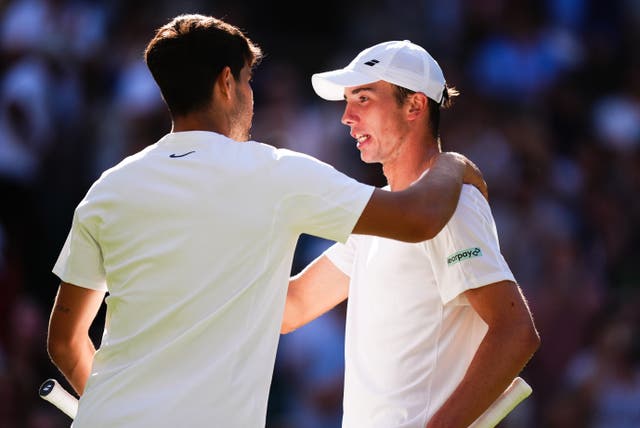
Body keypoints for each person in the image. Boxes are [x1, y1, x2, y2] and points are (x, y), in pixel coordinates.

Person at [45, 15, 487, 428]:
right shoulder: (276, 173)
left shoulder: (108, 188)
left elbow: (64, 342)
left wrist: (109, 413)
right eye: (248, 80)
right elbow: (419, 217)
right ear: (226, 83)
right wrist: (455, 163)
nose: (252, 95)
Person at [281, 40, 540, 428]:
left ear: (415, 106)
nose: (346, 117)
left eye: (363, 99)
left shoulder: (456, 206)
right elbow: (294, 305)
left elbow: (516, 332)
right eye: (348, 101)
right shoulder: (381, 213)